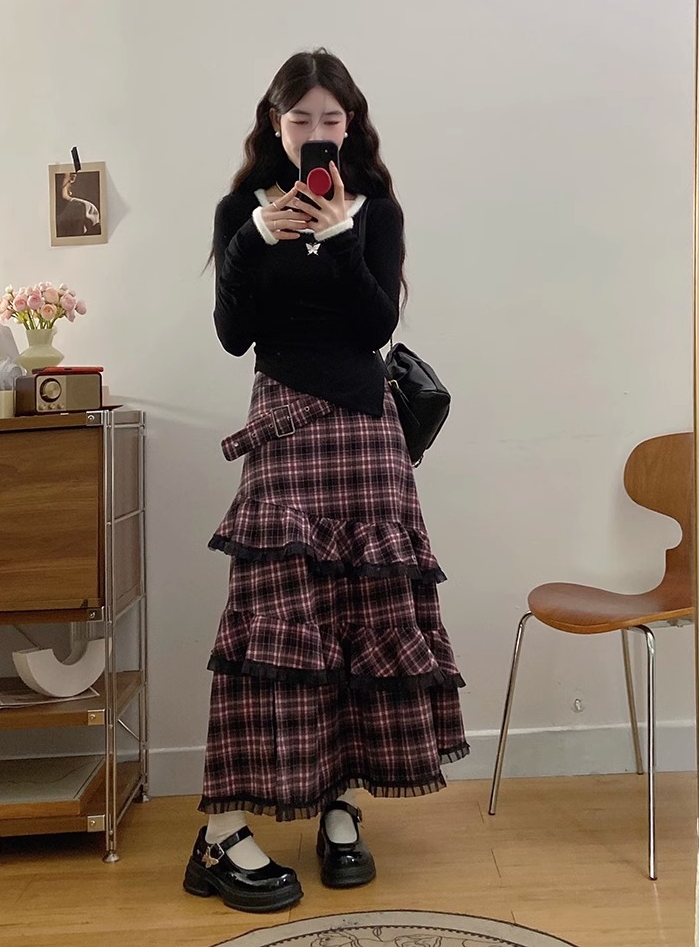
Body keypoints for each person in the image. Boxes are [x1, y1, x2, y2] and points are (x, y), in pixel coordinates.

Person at [183, 48, 469, 914]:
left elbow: (375, 324)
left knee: (361, 620)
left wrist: (340, 235)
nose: (316, 131)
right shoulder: (244, 211)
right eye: (300, 118)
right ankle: (219, 831)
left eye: (330, 119)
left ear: (350, 126)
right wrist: (252, 239)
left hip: (367, 435)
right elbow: (233, 334)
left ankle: (340, 805)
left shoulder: (377, 210)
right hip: (285, 429)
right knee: (270, 626)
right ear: (275, 125)